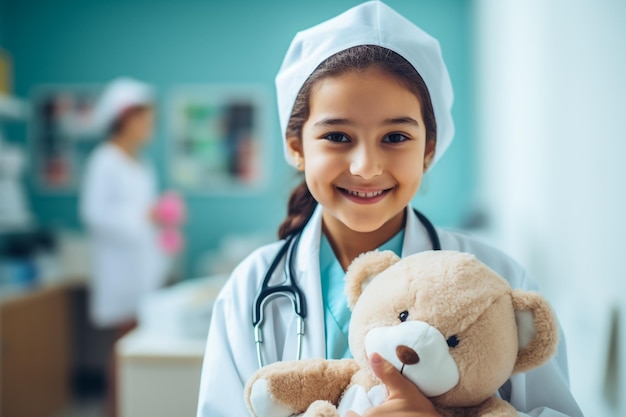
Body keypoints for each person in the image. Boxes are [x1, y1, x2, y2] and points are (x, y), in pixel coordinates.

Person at [196, 2, 584, 417]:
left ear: (428, 150)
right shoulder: (250, 289)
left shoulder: (500, 280)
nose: (366, 167)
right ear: (297, 148)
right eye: (338, 135)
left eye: (396, 136)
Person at [81, 77, 169, 331]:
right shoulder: (104, 160)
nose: (150, 125)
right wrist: (144, 216)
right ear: (125, 120)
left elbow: (148, 213)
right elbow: (94, 214)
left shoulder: (144, 165)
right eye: (145, 119)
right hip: (119, 269)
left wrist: (161, 218)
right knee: (124, 340)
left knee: (140, 334)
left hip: (145, 264)